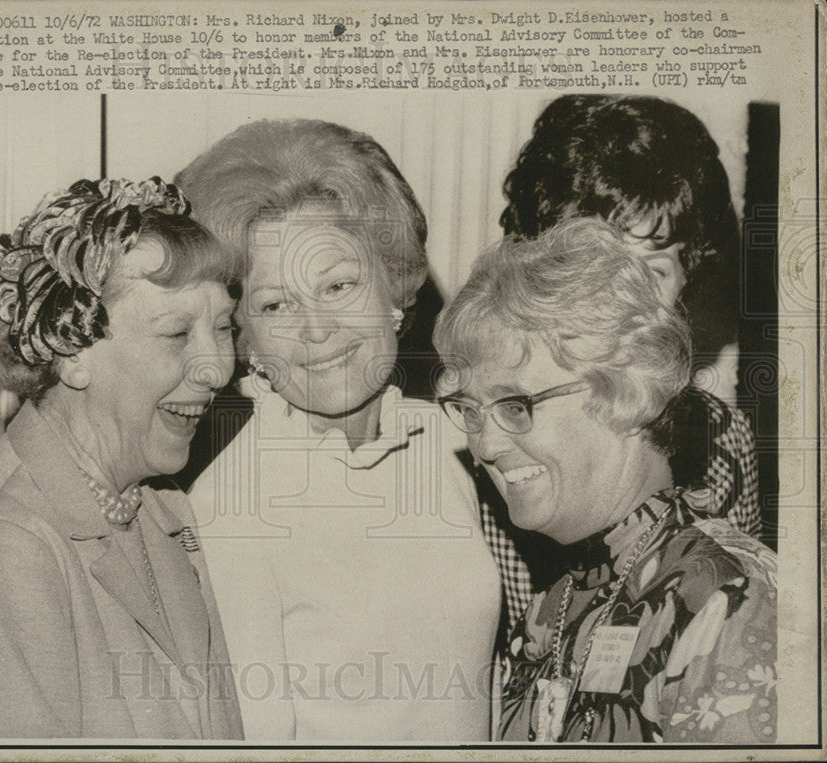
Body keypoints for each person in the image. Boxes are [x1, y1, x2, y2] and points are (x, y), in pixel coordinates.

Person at [174, 119, 501, 741]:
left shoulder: (451, 443)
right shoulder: (230, 505)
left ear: (394, 291)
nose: (316, 330)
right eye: (275, 305)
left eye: (338, 286)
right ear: (242, 337)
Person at [0, 177, 244, 739]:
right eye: (177, 333)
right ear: (72, 353)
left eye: (224, 327)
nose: (218, 369)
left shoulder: (159, 507)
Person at [434, 218, 777, 743]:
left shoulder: (730, 597)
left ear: (625, 391)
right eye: (471, 411)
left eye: (515, 404)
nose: (485, 446)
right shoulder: (553, 607)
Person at [490, 94, 761, 632]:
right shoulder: (485, 442)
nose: (624, 305)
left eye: (654, 272)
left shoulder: (722, 441)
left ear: (689, 277)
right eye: (595, 270)